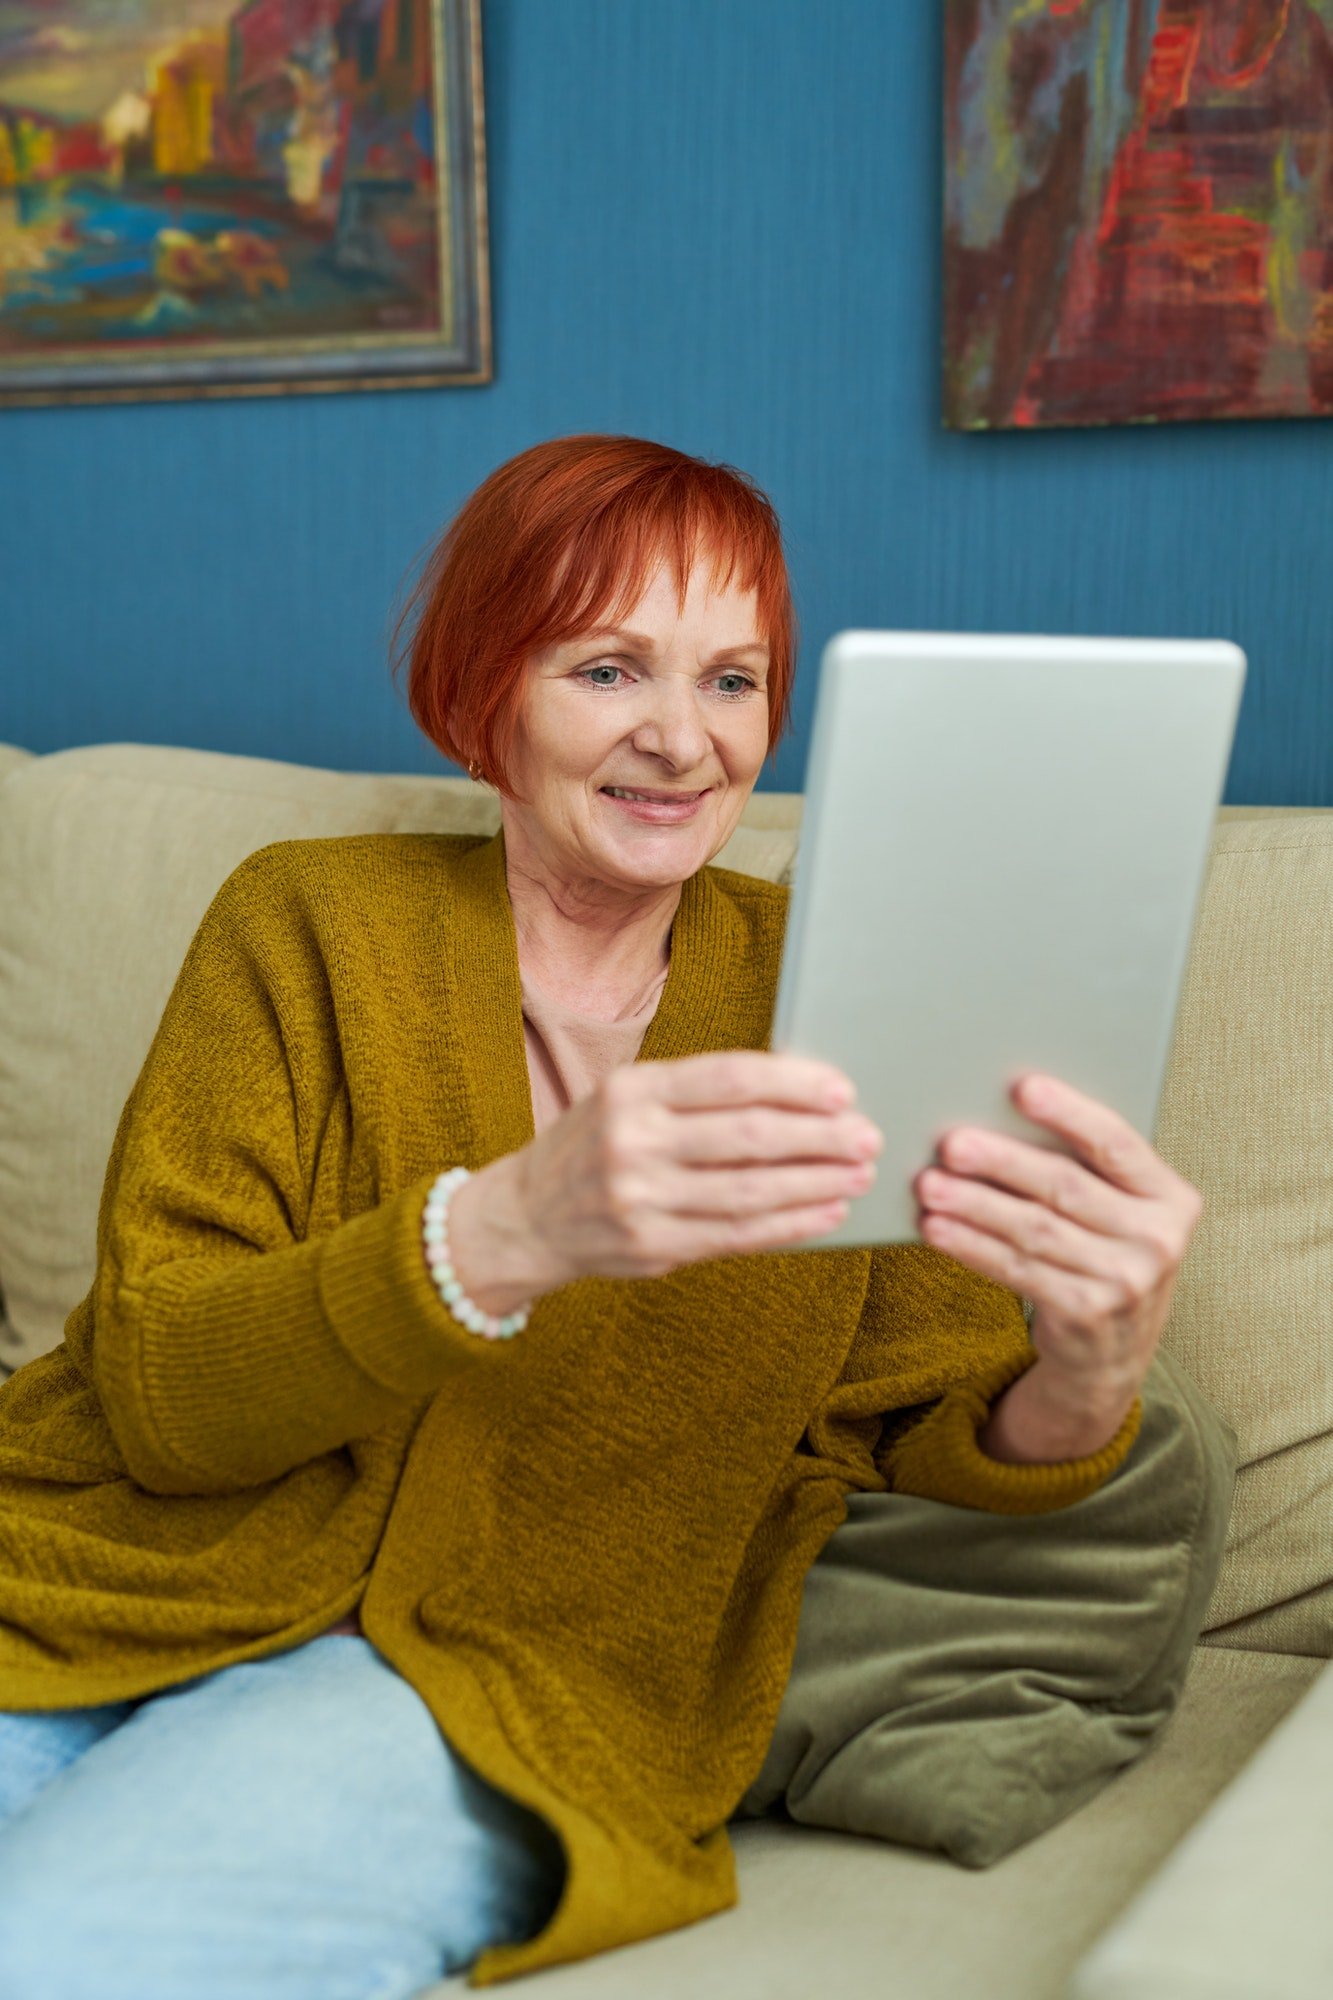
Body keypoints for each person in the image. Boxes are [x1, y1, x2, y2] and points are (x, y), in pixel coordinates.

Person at [0, 434, 1217, 2000]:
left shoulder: (843, 992)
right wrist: (498, 1232)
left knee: (56, 1952)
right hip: (98, 1571)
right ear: (481, 693)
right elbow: (162, 1396)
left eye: (731, 681)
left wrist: (1090, 1369)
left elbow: (931, 1422)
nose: (681, 740)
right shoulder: (304, 919)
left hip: (508, 1683)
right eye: (606, 669)